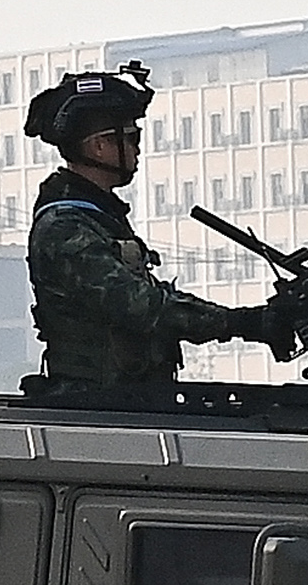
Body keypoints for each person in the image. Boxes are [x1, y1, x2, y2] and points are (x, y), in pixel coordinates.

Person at [21, 64, 284, 400]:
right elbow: (142, 305)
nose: (138, 149)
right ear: (99, 147)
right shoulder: (66, 228)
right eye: (131, 137)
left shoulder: (99, 219)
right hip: (95, 407)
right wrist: (241, 323)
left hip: (125, 399)